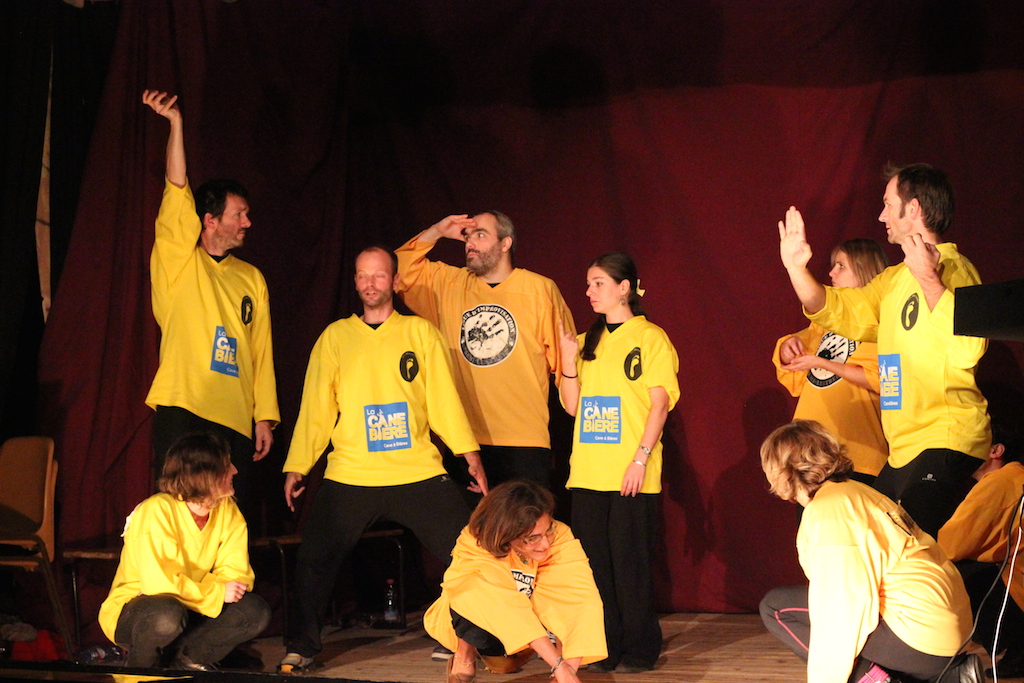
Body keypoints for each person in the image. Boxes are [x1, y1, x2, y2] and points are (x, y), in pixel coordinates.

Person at [278, 246, 488, 674]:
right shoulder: (335, 337)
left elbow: (443, 400)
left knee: (469, 550)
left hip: (415, 469)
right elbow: (316, 409)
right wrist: (298, 465)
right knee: (314, 558)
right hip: (352, 472)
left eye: (378, 275)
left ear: (393, 281)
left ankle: (472, 640)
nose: (370, 283)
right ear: (355, 281)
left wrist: (469, 454)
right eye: (362, 275)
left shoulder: (420, 333)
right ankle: (301, 647)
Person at [778, 163, 990, 537]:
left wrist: (930, 279)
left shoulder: (955, 268)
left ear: (914, 208)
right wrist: (796, 270)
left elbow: (968, 349)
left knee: (912, 554)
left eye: (888, 204)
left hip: (945, 438)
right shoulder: (893, 280)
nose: (881, 215)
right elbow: (840, 311)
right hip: (903, 448)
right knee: (879, 547)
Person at [141, 90, 279, 520]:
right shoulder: (179, 260)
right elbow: (176, 188)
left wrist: (263, 416)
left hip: (234, 415)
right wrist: (175, 125)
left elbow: (260, 351)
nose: (248, 222)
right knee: (178, 511)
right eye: (239, 214)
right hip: (184, 405)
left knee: (228, 516)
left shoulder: (251, 278)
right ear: (210, 220)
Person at [758, 420, 981, 683]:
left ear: (780, 471)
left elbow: (841, 604)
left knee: (776, 607)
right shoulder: (858, 493)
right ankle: (950, 676)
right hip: (948, 630)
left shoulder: (831, 509)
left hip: (923, 638)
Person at [557, 252, 679, 673]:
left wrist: (639, 460)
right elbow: (572, 408)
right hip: (589, 472)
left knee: (630, 566)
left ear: (624, 287)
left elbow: (659, 405)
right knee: (595, 568)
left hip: (630, 472)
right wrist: (567, 360)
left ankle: (640, 649)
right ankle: (604, 648)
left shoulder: (651, 338)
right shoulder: (585, 342)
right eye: (588, 284)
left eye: (598, 284)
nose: (589, 292)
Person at [396, 212, 575, 489]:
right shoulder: (450, 285)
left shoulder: (539, 290)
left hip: (524, 442)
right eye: (468, 236)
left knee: (526, 519)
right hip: (466, 443)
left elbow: (567, 363)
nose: (470, 243)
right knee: (469, 519)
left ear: (505, 243)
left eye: (480, 235)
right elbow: (400, 271)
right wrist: (437, 231)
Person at [98, 433, 270, 671]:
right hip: (142, 610)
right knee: (166, 614)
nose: (234, 470)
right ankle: (138, 673)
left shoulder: (228, 510)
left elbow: (238, 577)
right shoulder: (156, 510)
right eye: (226, 465)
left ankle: (187, 662)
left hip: (192, 608)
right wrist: (215, 591)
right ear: (206, 475)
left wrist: (200, 591)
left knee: (254, 611)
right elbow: (157, 585)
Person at [423, 480, 606, 683]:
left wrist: (567, 671)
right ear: (507, 533)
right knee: (470, 590)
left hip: (529, 634)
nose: (545, 544)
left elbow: (579, 597)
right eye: (532, 538)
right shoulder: (477, 541)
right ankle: (464, 657)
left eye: (547, 531)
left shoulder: (559, 535)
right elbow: (504, 605)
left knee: (575, 597)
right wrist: (557, 664)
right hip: (487, 625)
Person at [773, 239, 889, 484]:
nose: (831, 273)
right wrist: (787, 349)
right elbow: (793, 374)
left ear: (865, 270)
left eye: (841, 266)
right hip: (809, 455)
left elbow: (882, 380)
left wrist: (822, 363)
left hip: (856, 453)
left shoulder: (883, 321)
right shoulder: (822, 324)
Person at [938, 420, 1024, 677]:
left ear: (996, 450)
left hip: (1018, 591)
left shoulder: (998, 482)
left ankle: (1017, 647)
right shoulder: (1016, 476)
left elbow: (950, 546)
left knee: (949, 572)